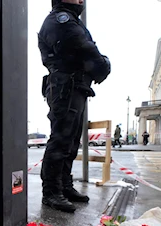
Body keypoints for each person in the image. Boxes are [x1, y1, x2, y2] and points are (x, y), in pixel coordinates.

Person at [38, 0, 111, 213]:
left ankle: (64, 185)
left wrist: (98, 65)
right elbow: (83, 47)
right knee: (60, 140)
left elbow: (84, 49)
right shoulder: (61, 20)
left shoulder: (70, 20)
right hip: (65, 86)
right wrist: (103, 65)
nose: (80, 0)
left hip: (74, 86)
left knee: (70, 141)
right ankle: (51, 192)